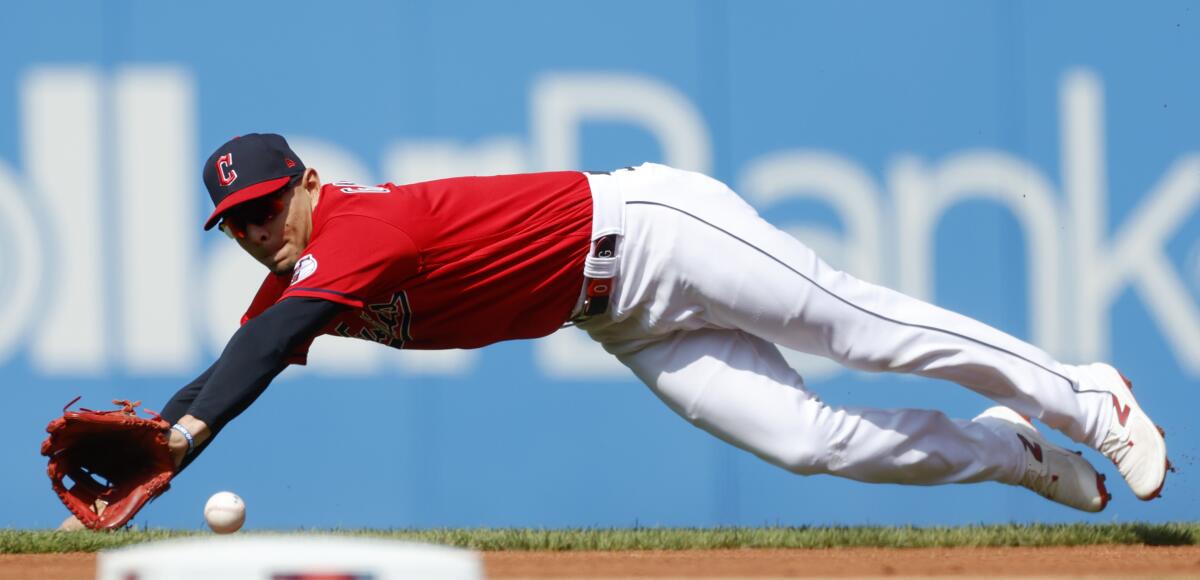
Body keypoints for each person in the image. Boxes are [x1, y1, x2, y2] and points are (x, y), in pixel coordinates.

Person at [154, 133, 1172, 518]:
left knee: (866, 328)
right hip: (623, 318)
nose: (251, 231)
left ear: (308, 185)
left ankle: (1088, 395)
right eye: (233, 222)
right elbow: (231, 365)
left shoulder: (354, 229)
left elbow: (250, 359)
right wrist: (159, 446)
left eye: (263, 206)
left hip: (657, 232)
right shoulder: (296, 280)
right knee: (803, 442)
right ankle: (1010, 454)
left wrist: (192, 433)